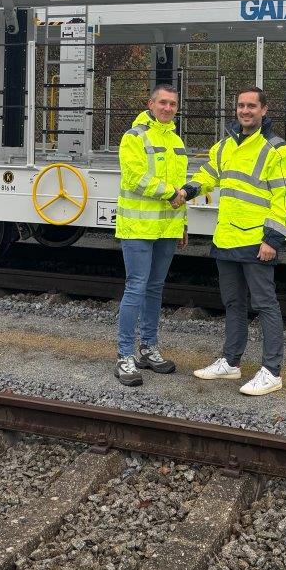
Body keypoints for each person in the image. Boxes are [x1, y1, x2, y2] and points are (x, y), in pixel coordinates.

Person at [174, 87, 286, 396]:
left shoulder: (276, 150)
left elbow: (284, 198)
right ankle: (231, 362)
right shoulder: (225, 146)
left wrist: (272, 240)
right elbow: (207, 176)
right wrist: (186, 192)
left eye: (251, 106)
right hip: (227, 238)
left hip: (257, 240)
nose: (245, 110)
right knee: (233, 303)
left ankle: (272, 371)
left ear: (264, 110)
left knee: (265, 305)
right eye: (241, 105)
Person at [113, 84, 189, 387]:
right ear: (151, 104)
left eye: (173, 104)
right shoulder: (134, 137)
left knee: (155, 289)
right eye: (163, 103)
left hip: (167, 228)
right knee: (136, 288)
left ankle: (147, 349)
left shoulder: (175, 140)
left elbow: (181, 187)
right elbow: (135, 178)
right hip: (138, 227)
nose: (168, 108)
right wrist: (171, 193)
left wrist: (183, 224)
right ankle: (124, 356)